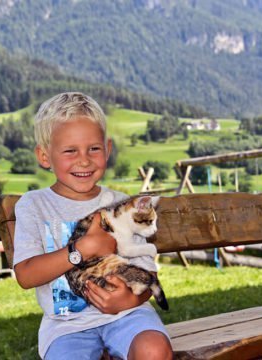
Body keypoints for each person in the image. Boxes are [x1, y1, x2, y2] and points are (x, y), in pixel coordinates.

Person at [13, 92, 172, 359]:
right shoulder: (33, 205)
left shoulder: (121, 205)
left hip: (128, 315)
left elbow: (147, 273)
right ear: (44, 155)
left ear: (107, 149)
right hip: (66, 326)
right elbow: (26, 275)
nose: (84, 160)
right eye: (70, 151)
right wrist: (82, 249)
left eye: (93, 149)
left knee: (153, 350)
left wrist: (130, 300)